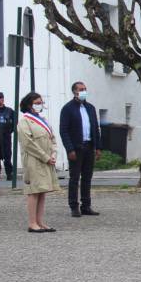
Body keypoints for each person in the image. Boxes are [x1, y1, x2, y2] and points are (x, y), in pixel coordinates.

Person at [17, 92, 61, 232]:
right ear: (29, 105)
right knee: (34, 191)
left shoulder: (43, 119)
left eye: (41, 102)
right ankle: (32, 223)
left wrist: (53, 153)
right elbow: (28, 143)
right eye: (37, 102)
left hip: (47, 160)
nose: (39, 105)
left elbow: (52, 138)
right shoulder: (24, 121)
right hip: (34, 160)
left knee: (43, 191)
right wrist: (45, 156)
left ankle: (40, 221)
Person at [59, 81, 102, 217]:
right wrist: (69, 149)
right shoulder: (68, 108)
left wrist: (98, 147)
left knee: (87, 178)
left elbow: (95, 128)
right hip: (76, 148)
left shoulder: (90, 108)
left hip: (89, 146)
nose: (83, 91)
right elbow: (63, 130)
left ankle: (86, 205)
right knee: (74, 178)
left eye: (85, 89)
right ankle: (73, 205)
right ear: (74, 92)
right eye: (80, 89)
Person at [0, 92, 15, 180]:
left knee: (7, 157)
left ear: (2, 99)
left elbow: (15, 123)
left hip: (6, 137)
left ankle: (9, 174)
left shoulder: (9, 111)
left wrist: (10, 131)